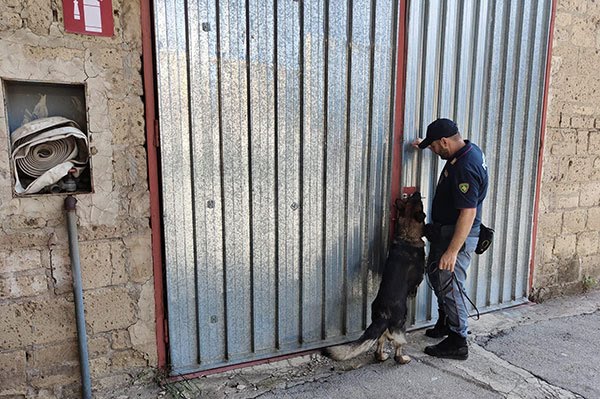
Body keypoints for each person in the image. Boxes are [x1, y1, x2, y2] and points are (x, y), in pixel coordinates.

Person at [412, 118, 488, 360]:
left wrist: (452, 251)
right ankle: (445, 321)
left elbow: (468, 212)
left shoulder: (466, 166)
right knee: (436, 276)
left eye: (433, 147)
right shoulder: (467, 149)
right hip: (444, 232)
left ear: (444, 142)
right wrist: (422, 144)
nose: (433, 152)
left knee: (451, 285)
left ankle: (458, 341)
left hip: (458, 237)